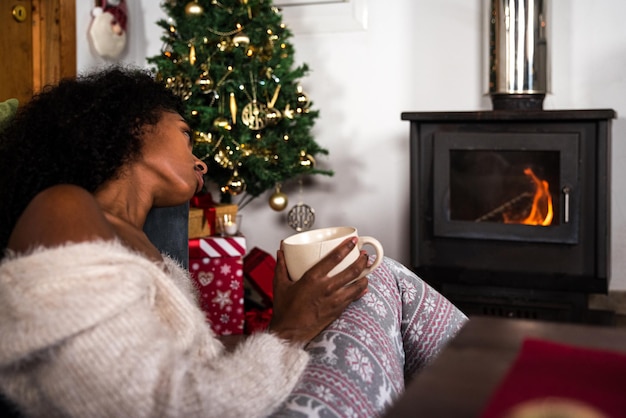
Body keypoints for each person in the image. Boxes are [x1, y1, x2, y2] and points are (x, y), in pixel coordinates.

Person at [0, 66, 467, 418]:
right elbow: (151, 405)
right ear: (133, 128)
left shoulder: (143, 248)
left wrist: (289, 317)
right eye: (186, 135)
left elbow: (185, 361)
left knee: (366, 276)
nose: (200, 162)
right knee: (375, 274)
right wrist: (290, 331)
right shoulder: (63, 210)